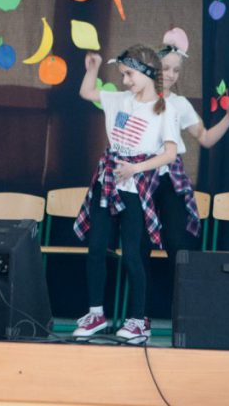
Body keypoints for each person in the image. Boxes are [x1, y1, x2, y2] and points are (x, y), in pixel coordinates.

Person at [72, 45, 180, 343]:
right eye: (122, 74)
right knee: (96, 248)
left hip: (136, 187)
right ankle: (95, 314)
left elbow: (170, 153)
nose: (125, 81)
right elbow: (86, 92)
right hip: (107, 183)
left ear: (148, 73)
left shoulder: (164, 109)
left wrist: (136, 168)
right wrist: (93, 68)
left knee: (133, 253)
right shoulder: (119, 99)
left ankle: (138, 320)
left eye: (129, 74)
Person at [149, 41, 229, 264]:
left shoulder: (180, 104)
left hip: (170, 177)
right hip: (140, 175)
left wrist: (228, 118)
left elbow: (205, 138)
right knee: (138, 242)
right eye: (165, 68)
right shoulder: (135, 99)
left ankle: (180, 286)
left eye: (176, 70)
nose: (171, 75)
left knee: (177, 240)